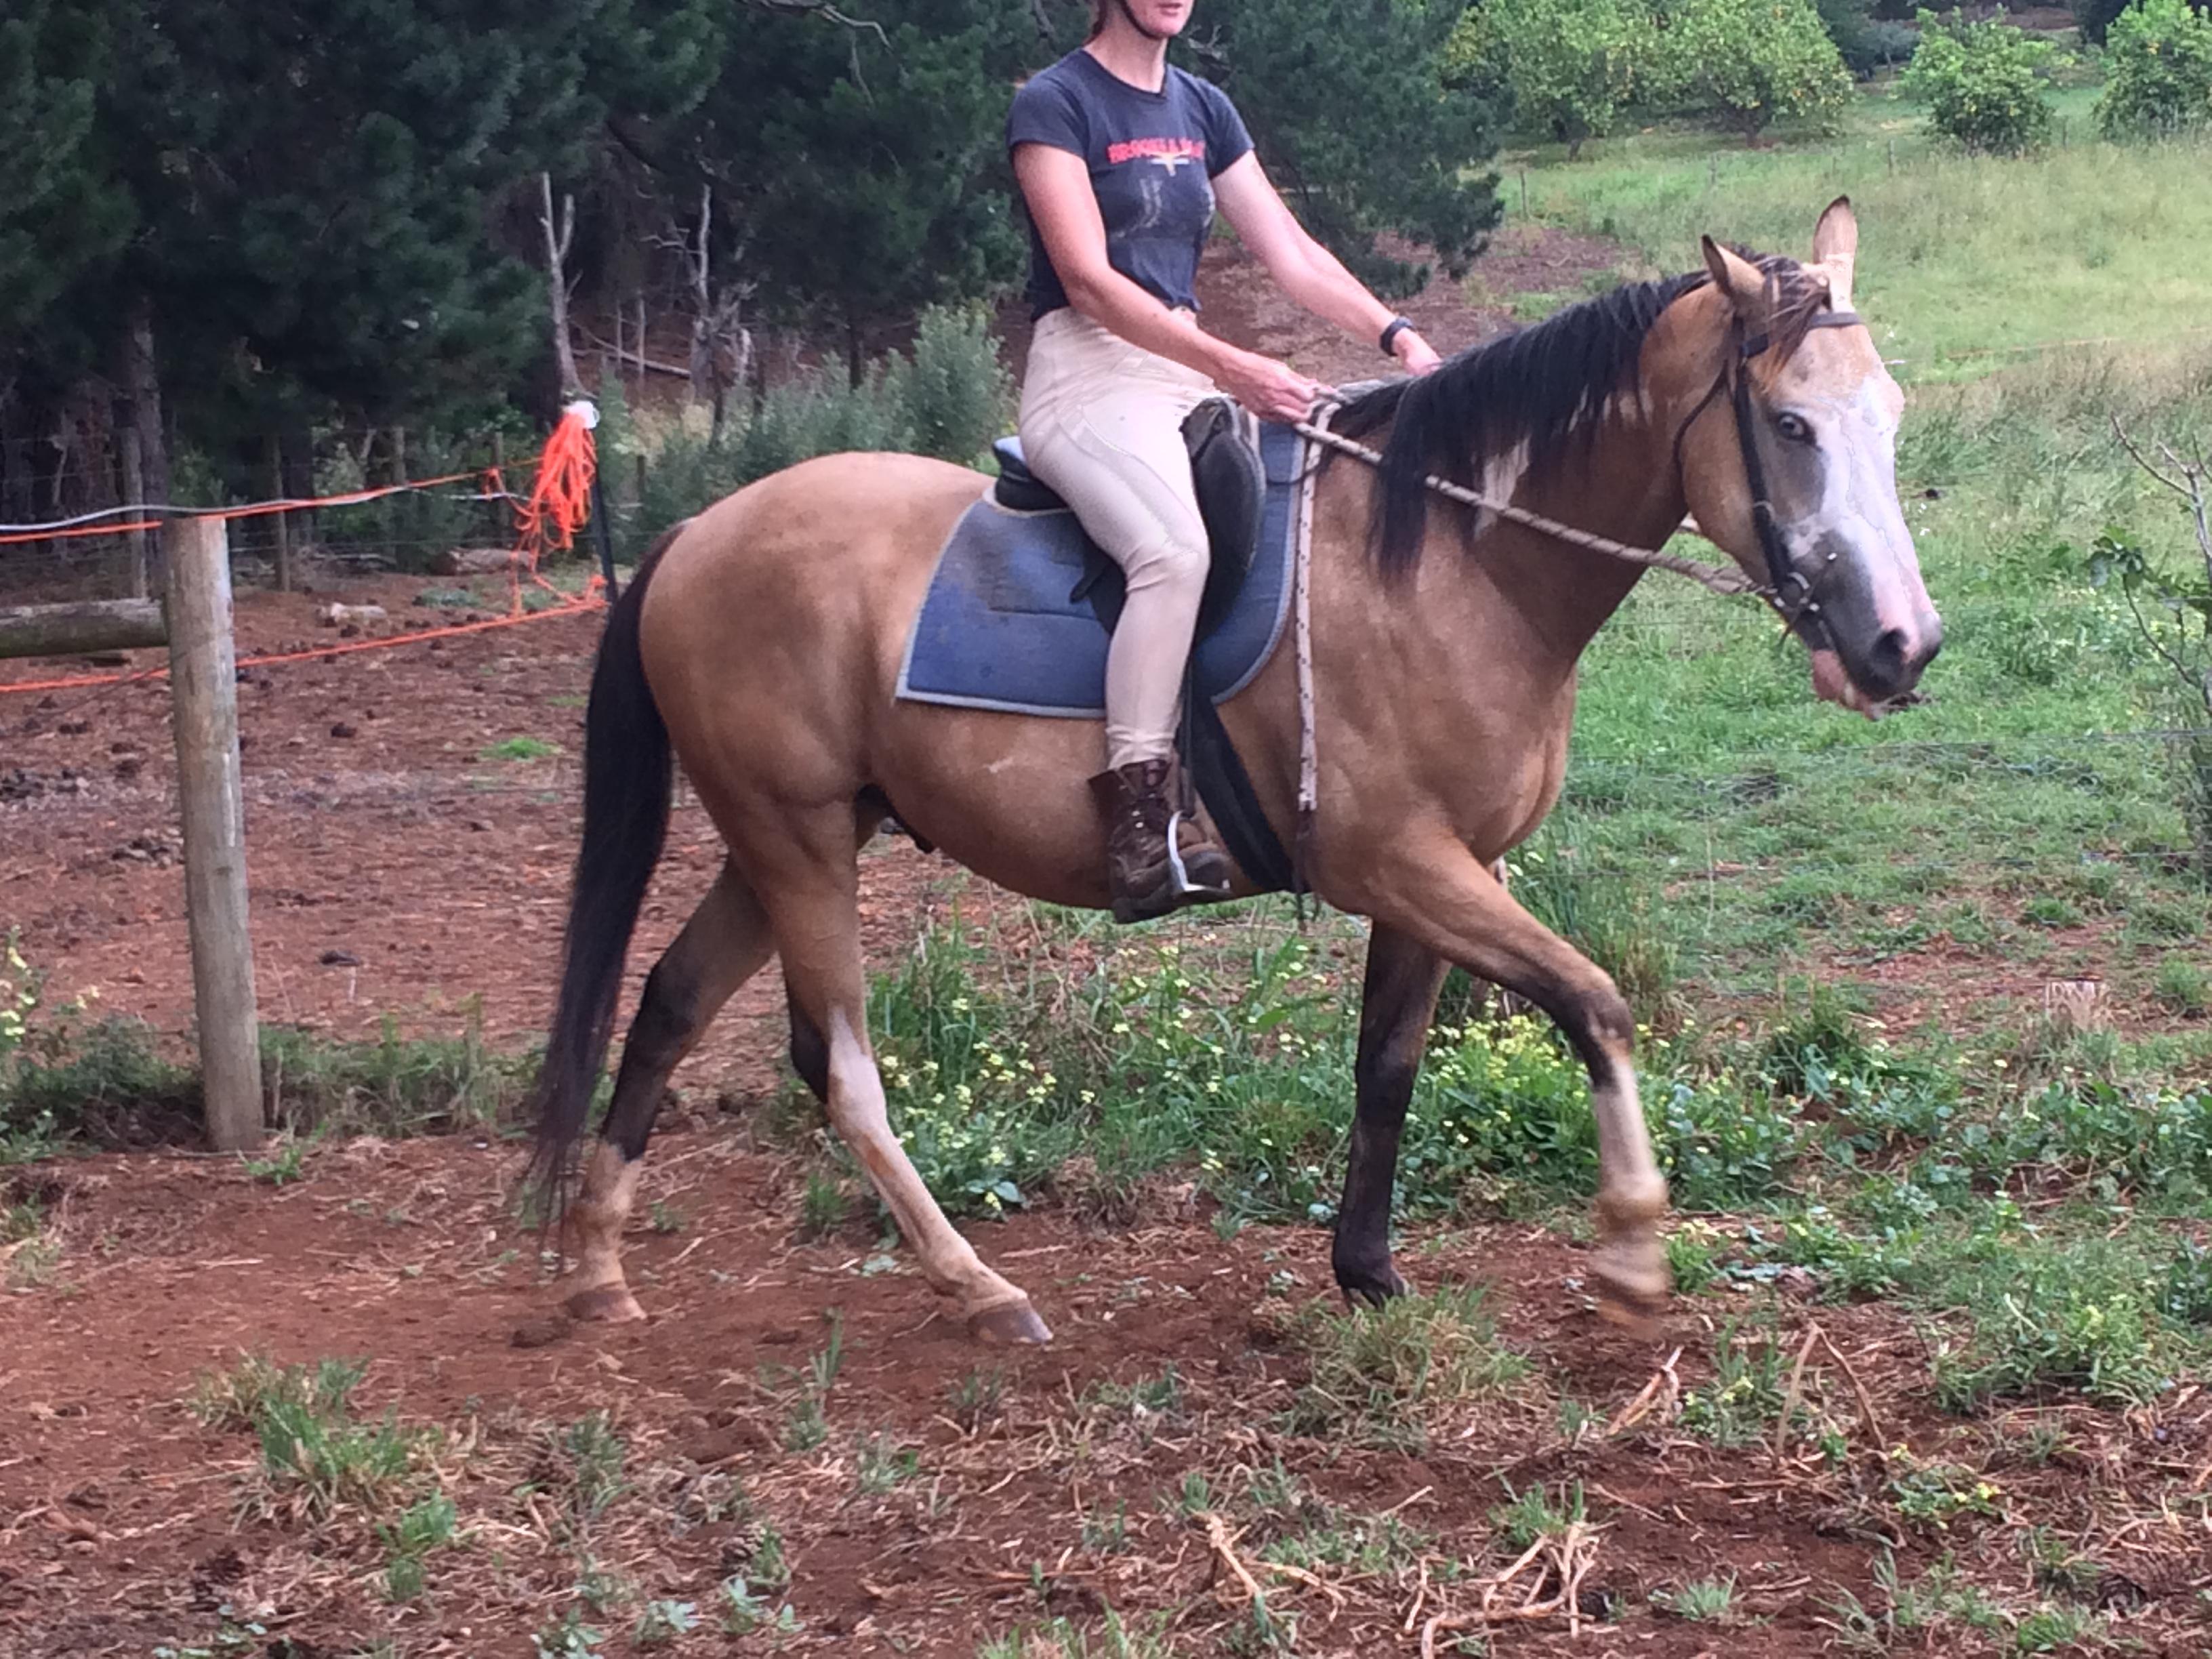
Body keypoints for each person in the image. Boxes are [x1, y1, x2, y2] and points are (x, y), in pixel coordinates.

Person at [1010, 0, 1443, 923]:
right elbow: (1088, 280)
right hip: (1086, 377)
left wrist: (1398, 336)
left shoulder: (1203, 106)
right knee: (1172, 554)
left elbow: (1292, 254)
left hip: (1182, 376)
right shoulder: (1055, 102)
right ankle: (1139, 818)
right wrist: (1236, 367)